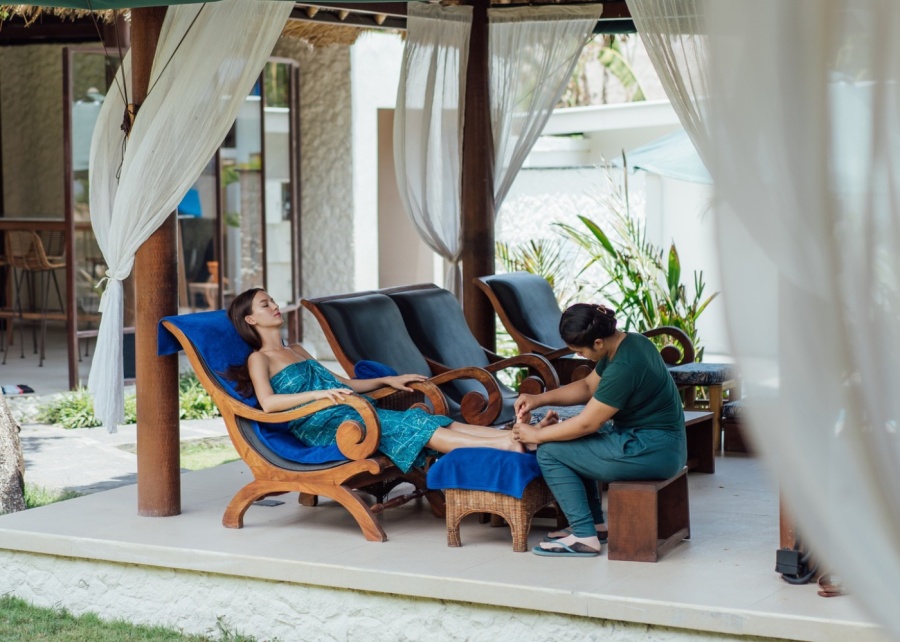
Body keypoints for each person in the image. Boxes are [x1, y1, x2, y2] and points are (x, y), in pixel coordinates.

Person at [226, 288, 524, 474]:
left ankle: (514, 438)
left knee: (431, 420)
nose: (275, 305)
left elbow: (346, 384)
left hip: (351, 411)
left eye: (272, 300)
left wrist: (391, 380)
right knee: (416, 426)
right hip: (324, 426)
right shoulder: (259, 358)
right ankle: (507, 445)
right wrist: (318, 396)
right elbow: (268, 403)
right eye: (265, 304)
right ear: (250, 320)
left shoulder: (297, 350)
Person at [512, 303, 686, 557]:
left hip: (651, 450)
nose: (580, 357)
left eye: (580, 351)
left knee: (550, 451)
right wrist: (538, 399)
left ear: (597, 342)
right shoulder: (630, 343)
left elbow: (587, 423)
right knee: (573, 441)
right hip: (662, 445)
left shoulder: (623, 367)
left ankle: (583, 536)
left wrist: (536, 435)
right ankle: (595, 524)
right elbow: (587, 387)